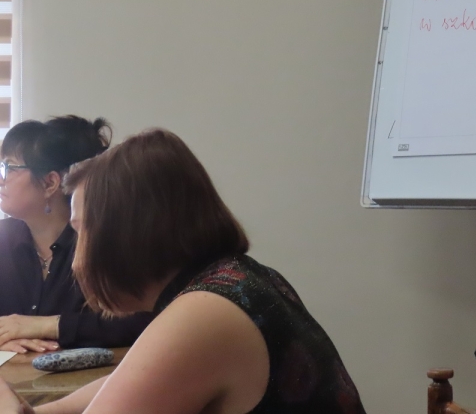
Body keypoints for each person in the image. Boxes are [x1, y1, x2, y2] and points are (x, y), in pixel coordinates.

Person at [0, 128, 367, 414]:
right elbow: (135, 378)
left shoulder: (203, 315)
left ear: (125, 236)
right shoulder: (238, 279)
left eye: (81, 232)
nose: (76, 259)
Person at [0, 116, 151, 353]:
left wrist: (48, 326)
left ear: (50, 183)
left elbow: (142, 321)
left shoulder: (103, 243)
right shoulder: (4, 239)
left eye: (10, 167)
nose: (2, 178)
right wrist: (4, 338)